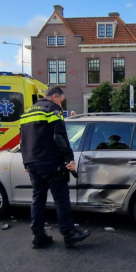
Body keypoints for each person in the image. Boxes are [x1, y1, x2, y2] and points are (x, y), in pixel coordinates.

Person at [20, 86, 90, 249]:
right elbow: (59, 135)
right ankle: (69, 233)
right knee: (61, 198)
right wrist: (69, 158)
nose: (61, 104)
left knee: (38, 199)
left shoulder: (27, 113)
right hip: (50, 161)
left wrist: (26, 163)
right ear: (54, 97)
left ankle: (38, 236)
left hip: (33, 163)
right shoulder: (52, 109)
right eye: (61, 101)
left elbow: (23, 141)